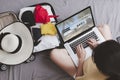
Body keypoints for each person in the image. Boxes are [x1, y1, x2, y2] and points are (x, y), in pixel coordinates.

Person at [50, 24, 120, 80]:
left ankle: (71, 50)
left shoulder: (90, 78)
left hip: (82, 68)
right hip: (107, 57)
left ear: (99, 69)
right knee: (104, 27)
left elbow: (78, 78)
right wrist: (98, 47)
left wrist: (81, 60)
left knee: (53, 54)